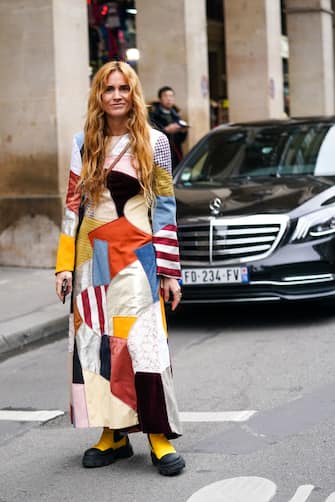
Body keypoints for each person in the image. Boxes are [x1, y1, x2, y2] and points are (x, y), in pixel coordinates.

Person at [55, 61, 185, 476]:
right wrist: (62, 266)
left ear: (133, 94)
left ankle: (157, 435)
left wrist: (169, 270)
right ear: (98, 95)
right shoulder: (82, 143)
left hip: (139, 258)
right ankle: (112, 434)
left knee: (144, 345)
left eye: (123, 88)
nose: (116, 95)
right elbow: (73, 206)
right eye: (108, 88)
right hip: (91, 260)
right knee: (95, 345)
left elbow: (164, 209)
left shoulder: (155, 141)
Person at [149, 86, 188, 171]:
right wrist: (166, 131)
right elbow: (151, 135)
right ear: (160, 99)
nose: (169, 99)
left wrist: (183, 131)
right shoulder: (153, 115)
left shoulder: (176, 115)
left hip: (175, 153)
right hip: (160, 154)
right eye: (165, 96)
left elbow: (181, 140)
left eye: (171, 96)